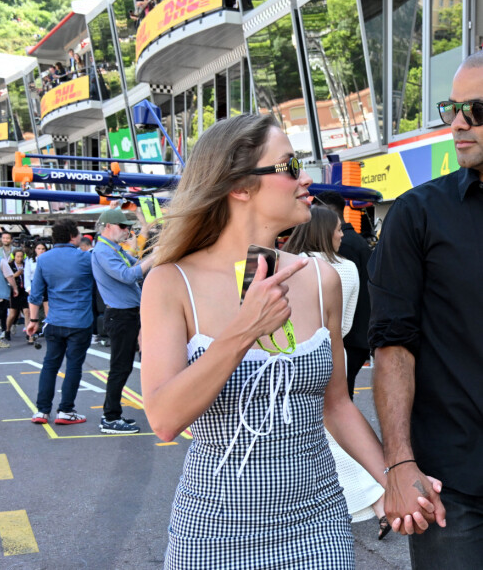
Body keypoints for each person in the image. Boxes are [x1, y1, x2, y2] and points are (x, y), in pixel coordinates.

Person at [140, 114, 425, 568]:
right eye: (289, 166)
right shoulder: (171, 282)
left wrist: (394, 478)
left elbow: (337, 405)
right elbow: (164, 419)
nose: (305, 177)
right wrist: (243, 330)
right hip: (214, 531)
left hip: (316, 526)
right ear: (239, 186)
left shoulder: (319, 278)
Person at [368, 52, 483, 567]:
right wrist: (399, 462)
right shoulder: (417, 214)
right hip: (451, 485)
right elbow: (393, 345)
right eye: (452, 108)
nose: (457, 123)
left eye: (475, 110)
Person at [284, 205, 389, 540]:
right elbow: (341, 325)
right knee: (335, 426)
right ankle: (379, 497)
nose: (343, 234)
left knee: (325, 430)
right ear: (323, 230)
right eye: (338, 229)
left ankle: (376, 497)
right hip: (335, 350)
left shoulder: (284, 264)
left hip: (291, 354)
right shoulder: (344, 268)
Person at [92, 209, 155, 434]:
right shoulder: (103, 251)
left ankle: (112, 415)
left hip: (127, 313)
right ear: (108, 226)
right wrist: (156, 256)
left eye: (127, 227)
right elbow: (129, 275)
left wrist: (153, 254)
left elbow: (137, 264)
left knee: (125, 366)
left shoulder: (112, 248)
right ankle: (110, 417)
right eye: (123, 227)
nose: (127, 231)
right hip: (121, 315)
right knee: (120, 367)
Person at [26, 220, 93, 425]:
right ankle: (66, 410)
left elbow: (35, 294)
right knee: (73, 366)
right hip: (80, 321)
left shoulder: (43, 259)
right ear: (73, 236)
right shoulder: (85, 258)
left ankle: (42, 411)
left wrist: (34, 320)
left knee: (50, 364)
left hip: (54, 321)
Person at [314, 190, 372, 397]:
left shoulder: (342, 248)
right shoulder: (355, 242)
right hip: (356, 337)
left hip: (347, 340)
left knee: (337, 401)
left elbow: (338, 315)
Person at [6, 248, 31, 343]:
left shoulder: (26, 265)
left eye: (21, 256)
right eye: (17, 256)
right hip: (15, 291)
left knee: (27, 312)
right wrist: (17, 274)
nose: (19, 258)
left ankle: (29, 334)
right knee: (13, 313)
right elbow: (8, 278)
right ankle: (7, 330)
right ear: (14, 257)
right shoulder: (10, 265)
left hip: (24, 290)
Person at [24, 241, 49, 319]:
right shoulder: (29, 260)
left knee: (47, 306)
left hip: (46, 284)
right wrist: (28, 288)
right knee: (34, 308)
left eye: (43, 249)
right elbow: (27, 275)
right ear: (35, 249)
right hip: (34, 283)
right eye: (39, 249)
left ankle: (47, 325)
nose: (41, 251)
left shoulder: (48, 259)